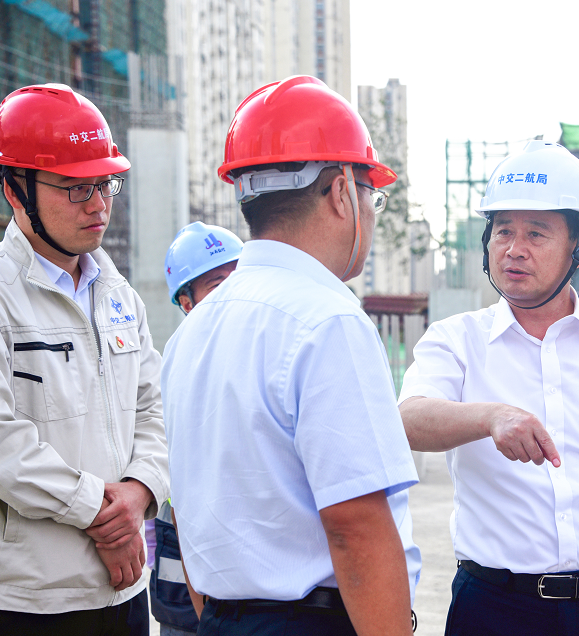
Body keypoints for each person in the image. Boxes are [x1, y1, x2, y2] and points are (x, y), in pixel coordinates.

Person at [161, 75, 420, 636]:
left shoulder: (189, 335)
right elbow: (355, 528)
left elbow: (187, 515)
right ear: (342, 192)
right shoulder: (328, 321)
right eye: (371, 195)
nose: (370, 211)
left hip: (221, 621)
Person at [398, 140, 579, 636]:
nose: (515, 248)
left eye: (536, 233)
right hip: (494, 608)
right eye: (503, 231)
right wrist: (490, 417)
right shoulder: (455, 340)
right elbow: (407, 419)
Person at [0, 84, 168, 635]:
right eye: (76, 188)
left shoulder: (118, 295)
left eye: (105, 184)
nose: (98, 205)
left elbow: (156, 410)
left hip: (127, 593)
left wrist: (140, 492)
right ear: (15, 190)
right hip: (32, 600)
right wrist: (101, 513)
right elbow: (5, 445)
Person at [149, 222, 244, 635]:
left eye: (239, 277)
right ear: (186, 302)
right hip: (189, 577)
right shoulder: (178, 363)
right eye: (217, 284)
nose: (233, 292)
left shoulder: (261, 345)